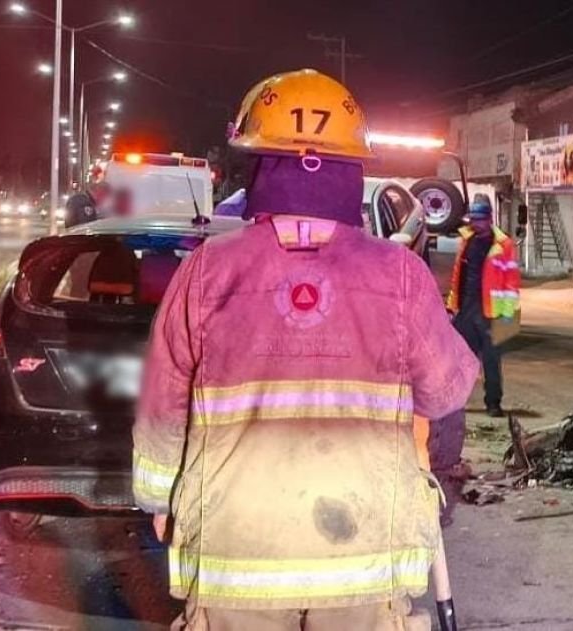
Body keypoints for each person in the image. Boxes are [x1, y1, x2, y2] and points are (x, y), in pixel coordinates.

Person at [133, 68, 479, 631]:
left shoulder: (206, 271)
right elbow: (446, 392)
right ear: (351, 170)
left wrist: (159, 499)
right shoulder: (400, 274)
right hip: (362, 554)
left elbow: (162, 404)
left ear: (258, 165)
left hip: (236, 552)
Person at [447, 199, 521, 417]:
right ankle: (456, 400)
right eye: (473, 219)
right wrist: (452, 306)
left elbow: (511, 282)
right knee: (461, 360)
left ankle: (493, 403)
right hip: (467, 310)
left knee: (491, 361)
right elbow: (457, 276)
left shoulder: (504, 245)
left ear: (489, 219)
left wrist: (507, 316)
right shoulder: (466, 241)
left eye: (479, 220)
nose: (476, 224)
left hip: (492, 313)